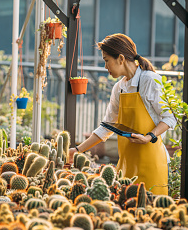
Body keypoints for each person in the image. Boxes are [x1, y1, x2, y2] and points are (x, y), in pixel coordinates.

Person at [69, 33, 175, 195]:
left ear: (120, 58)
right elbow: (107, 127)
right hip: (127, 165)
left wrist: (149, 136)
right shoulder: (119, 88)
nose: (105, 67)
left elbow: (170, 117)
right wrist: (77, 150)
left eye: (106, 61)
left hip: (153, 164)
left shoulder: (150, 80)